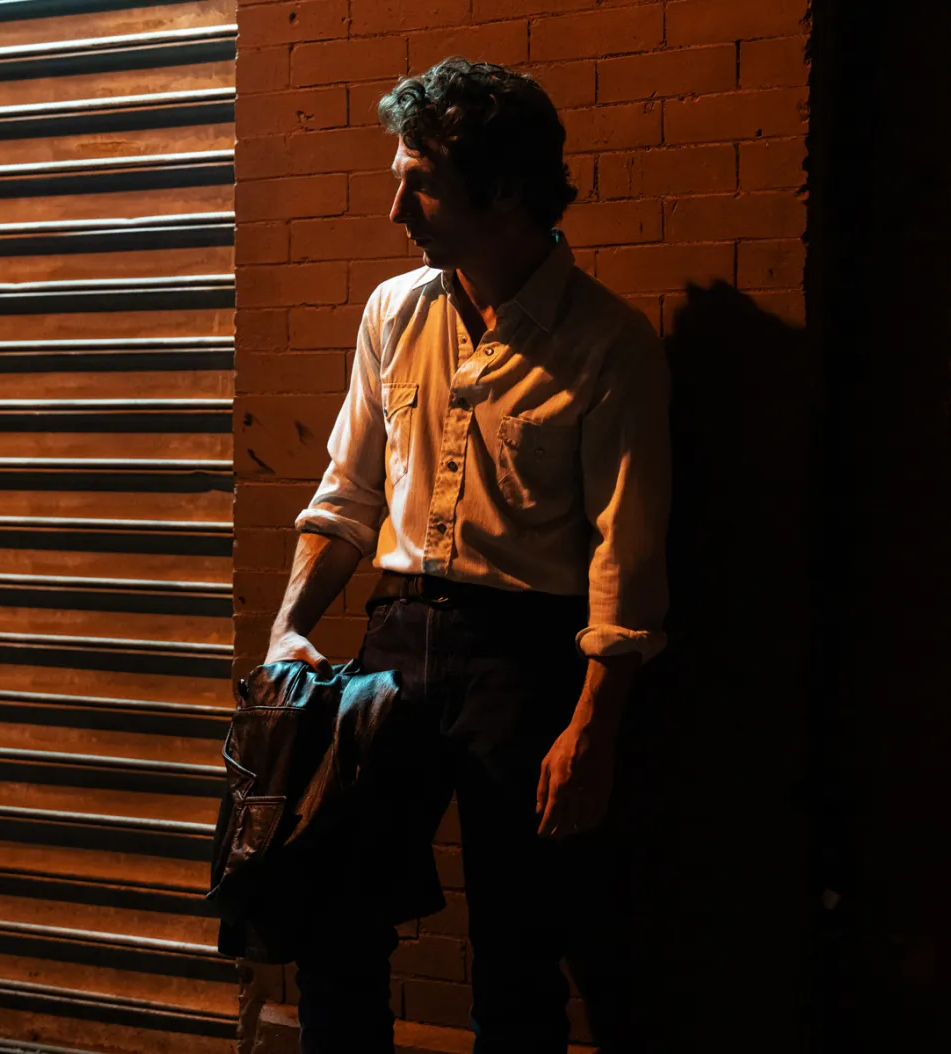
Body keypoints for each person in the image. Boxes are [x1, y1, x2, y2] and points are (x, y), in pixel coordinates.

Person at [263, 59, 671, 1053]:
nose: (396, 210)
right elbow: (346, 496)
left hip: (524, 663)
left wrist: (591, 727)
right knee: (333, 918)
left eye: (423, 184)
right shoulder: (394, 311)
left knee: (519, 953)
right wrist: (286, 631)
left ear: (505, 191)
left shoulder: (607, 343)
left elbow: (626, 556)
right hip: (395, 641)